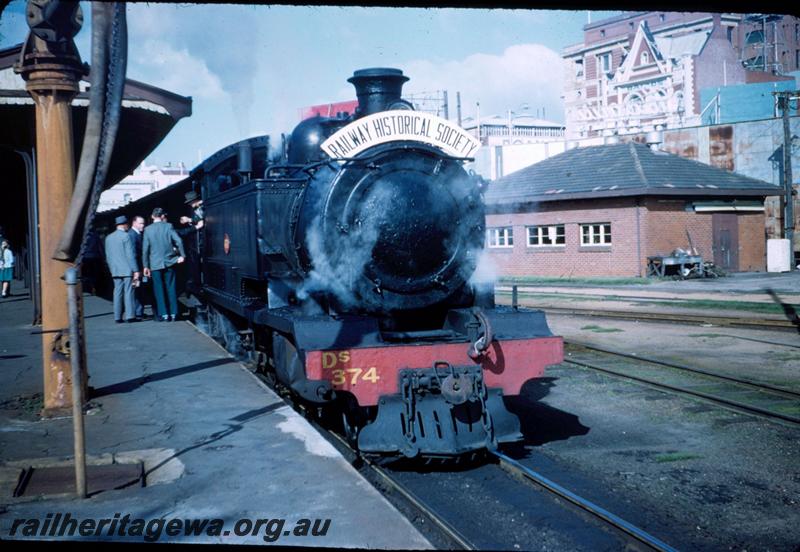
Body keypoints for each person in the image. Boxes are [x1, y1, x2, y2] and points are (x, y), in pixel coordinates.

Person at [143, 207, 185, 322]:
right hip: (169, 262)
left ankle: (164, 314)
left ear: (152, 217)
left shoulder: (147, 230)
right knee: (171, 287)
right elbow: (179, 241)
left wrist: (146, 266)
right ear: (162, 216)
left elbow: (145, 249)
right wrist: (182, 255)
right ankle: (174, 313)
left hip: (155, 264)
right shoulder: (168, 226)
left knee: (158, 289)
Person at [104, 215, 140, 323]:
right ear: (124, 225)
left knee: (117, 292)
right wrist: (136, 270)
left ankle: (117, 317)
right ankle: (130, 316)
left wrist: (111, 268)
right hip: (127, 269)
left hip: (115, 269)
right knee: (129, 292)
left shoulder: (108, 238)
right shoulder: (126, 236)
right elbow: (130, 255)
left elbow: (108, 256)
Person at [129, 215, 147, 318]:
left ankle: (139, 311)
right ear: (134, 223)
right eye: (141, 223)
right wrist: (137, 270)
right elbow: (133, 254)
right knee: (137, 290)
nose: (143, 225)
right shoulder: (132, 235)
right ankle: (138, 312)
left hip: (138, 267)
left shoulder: (137, 234)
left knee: (139, 290)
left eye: (143, 223)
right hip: (137, 268)